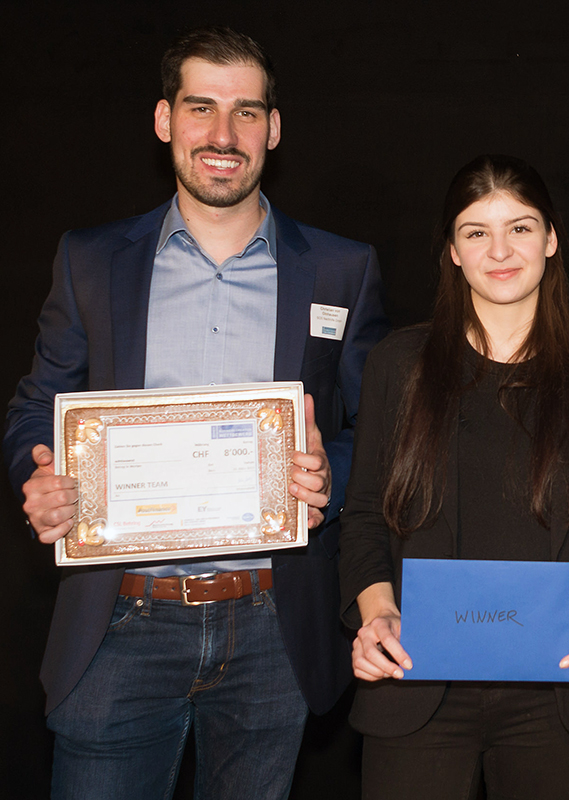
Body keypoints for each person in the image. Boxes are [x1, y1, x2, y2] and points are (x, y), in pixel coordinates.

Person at [3, 26, 390, 799]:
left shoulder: (343, 269)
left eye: (246, 112)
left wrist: (328, 477)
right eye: (201, 108)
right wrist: (34, 473)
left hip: (270, 631)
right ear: (164, 120)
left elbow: (375, 430)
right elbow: (36, 408)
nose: (222, 135)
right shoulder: (90, 259)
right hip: (119, 624)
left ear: (273, 130)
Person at [338, 153, 569, 800]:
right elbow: (363, 513)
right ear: (452, 250)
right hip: (414, 680)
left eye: (521, 228)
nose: (500, 250)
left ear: (551, 239)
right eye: (476, 232)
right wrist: (378, 616)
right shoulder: (399, 364)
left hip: (555, 690)